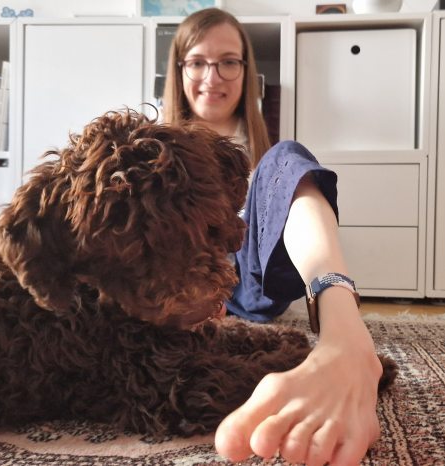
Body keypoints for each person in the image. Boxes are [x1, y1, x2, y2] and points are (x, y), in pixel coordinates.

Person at [162, 8, 383, 466]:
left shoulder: (263, 159)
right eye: (198, 61)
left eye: (228, 61)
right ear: (179, 69)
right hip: (177, 283)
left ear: (247, 73)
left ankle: (344, 331)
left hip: (250, 284)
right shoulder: (158, 147)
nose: (212, 76)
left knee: (287, 155)